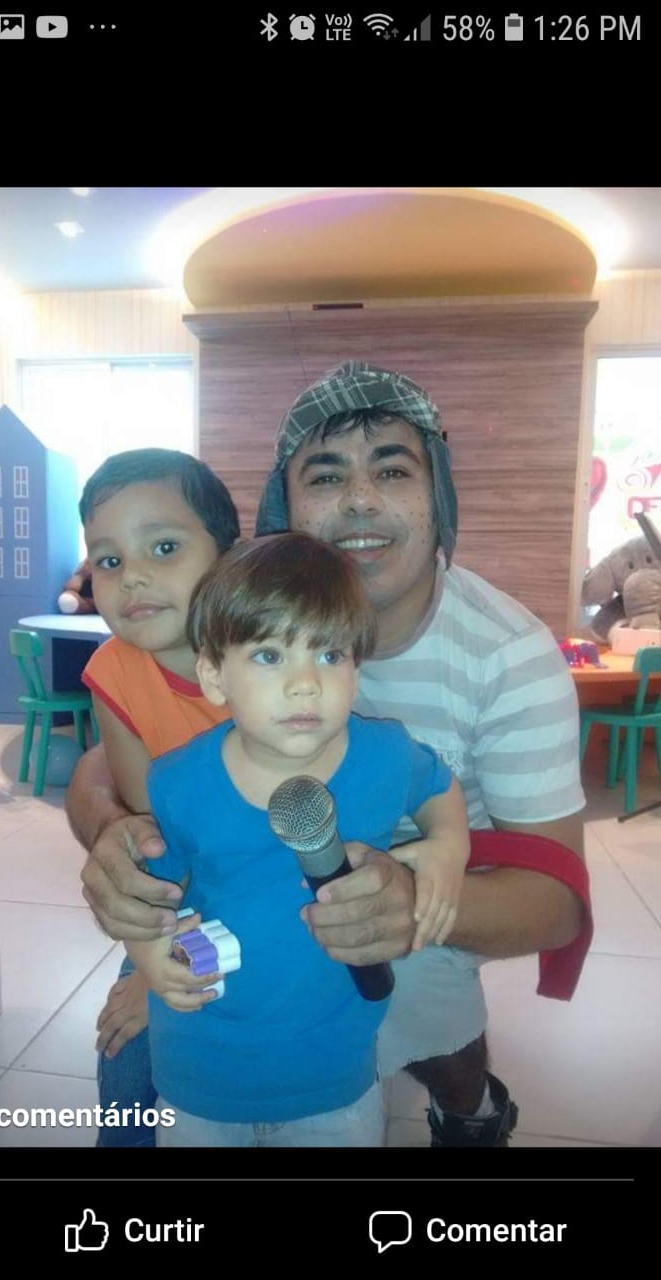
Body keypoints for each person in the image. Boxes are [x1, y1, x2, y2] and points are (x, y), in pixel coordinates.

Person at [69, 361, 587, 1148]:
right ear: (283, 511)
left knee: (414, 999)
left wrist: (420, 896)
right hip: (227, 898)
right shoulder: (242, 624)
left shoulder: (508, 656)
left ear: (438, 497)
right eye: (326, 475)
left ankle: (468, 1106)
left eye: (393, 469)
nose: (361, 499)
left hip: (435, 893)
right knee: (139, 1078)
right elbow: (115, 767)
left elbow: (559, 901)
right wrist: (113, 842)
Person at [126, 532, 469, 1145]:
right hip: (202, 1062)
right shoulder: (179, 781)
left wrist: (449, 847)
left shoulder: (385, 754)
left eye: (330, 655)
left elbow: (438, 787)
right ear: (213, 674)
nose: (305, 683)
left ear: (357, 671)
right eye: (269, 656)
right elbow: (147, 894)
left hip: (334, 1070)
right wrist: (148, 954)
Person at [77, 446, 240, 1144]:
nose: (133, 576)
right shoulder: (113, 671)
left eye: (164, 547)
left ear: (228, 558)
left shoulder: (272, 654)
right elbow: (154, 837)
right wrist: (156, 962)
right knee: (126, 1068)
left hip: (285, 899)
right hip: (183, 903)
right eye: (109, 560)